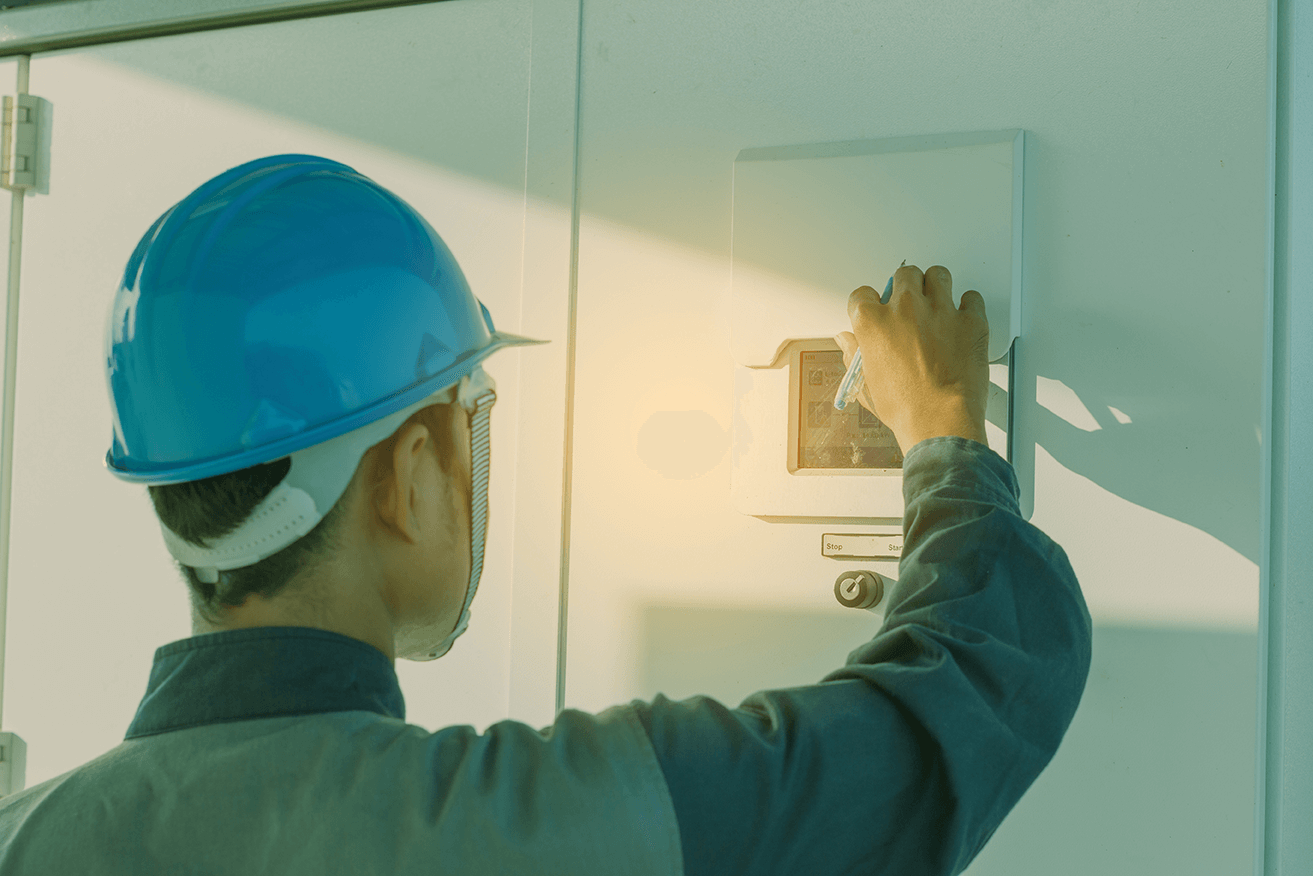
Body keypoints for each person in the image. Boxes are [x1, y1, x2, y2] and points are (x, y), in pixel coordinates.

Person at [0, 154, 1092, 875]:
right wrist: (944, 431)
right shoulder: (561, 820)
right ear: (416, 468)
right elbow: (966, 700)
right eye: (469, 412)